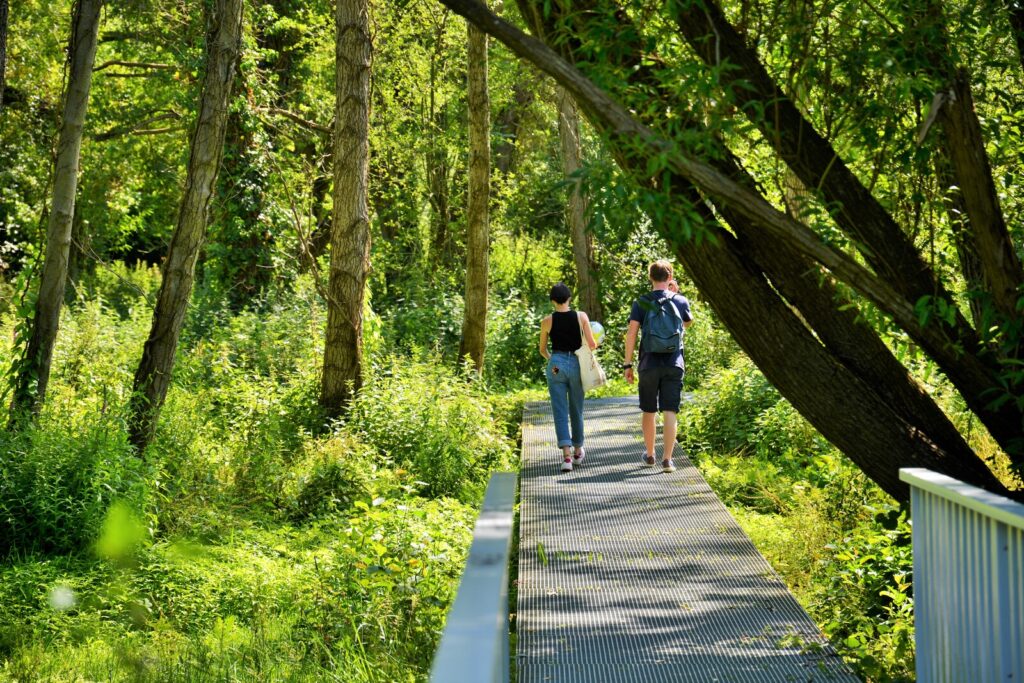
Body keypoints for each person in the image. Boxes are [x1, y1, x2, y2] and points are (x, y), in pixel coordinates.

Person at [623, 261, 694, 473]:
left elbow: (632, 333)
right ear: (669, 276)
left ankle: (651, 454)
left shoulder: (641, 303)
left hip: (649, 363)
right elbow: (687, 323)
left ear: (650, 277)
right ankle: (668, 460)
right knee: (670, 410)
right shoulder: (680, 301)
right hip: (674, 363)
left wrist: (627, 363)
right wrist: (676, 294)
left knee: (649, 409)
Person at [539, 282, 599, 472]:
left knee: (559, 409)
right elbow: (591, 344)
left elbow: (542, 350)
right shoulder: (581, 317)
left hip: (556, 365)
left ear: (552, 301)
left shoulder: (547, 321)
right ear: (569, 298)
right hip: (576, 364)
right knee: (576, 408)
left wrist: (554, 361)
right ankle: (578, 451)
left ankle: (566, 457)